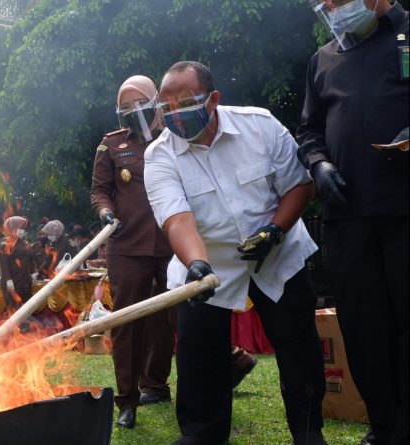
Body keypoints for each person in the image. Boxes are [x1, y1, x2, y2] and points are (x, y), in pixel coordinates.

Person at [144, 61, 327, 445]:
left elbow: (300, 186)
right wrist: (196, 264)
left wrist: (275, 231)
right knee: (199, 360)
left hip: (277, 252)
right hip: (207, 265)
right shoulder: (159, 155)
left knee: (299, 350)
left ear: (213, 99)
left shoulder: (258, 125)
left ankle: (309, 431)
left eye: (186, 102)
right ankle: (201, 437)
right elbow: (177, 220)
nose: (175, 114)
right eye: (166, 106)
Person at [297, 2, 409, 443]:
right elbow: (309, 131)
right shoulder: (323, 59)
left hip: (404, 210)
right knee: (362, 327)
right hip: (347, 216)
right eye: (322, 4)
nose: (330, 11)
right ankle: (382, 426)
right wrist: (320, 164)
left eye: (337, 1)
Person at [90, 75, 175, 428]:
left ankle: (157, 383)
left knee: (175, 317)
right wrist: (106, 213)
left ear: (156, 101)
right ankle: (127, 401)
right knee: (125, 322)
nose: (132, 111)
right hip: (128, 246)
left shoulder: (174, 136)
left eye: (139, 103)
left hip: (173, 242)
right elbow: (100, 191)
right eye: (124, 106)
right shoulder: (110, 146)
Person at [0, 216, 35, 308]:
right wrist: (8, 280)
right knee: (14, 312)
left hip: (25, 283)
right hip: (13, 284)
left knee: (26, 311)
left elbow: (30, 259)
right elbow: (4, 264)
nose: (23, 231)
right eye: (20, 228)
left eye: (24, 229)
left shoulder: (24, 243)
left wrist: (33, 272)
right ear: (13, 228)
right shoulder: (5, 244)